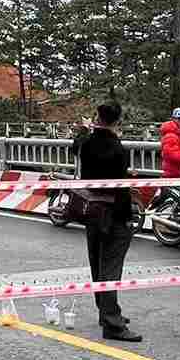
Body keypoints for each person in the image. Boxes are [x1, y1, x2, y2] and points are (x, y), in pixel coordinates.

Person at [69, 102, 142, 342]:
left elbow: (75, 149)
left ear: (97, 117)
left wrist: (82, 130)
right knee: (111, 267)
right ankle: (112, 323)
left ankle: (106, 311)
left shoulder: (88, 143)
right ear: (118, 121)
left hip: (92, 210)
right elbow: (119, 183)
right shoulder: (118, 148)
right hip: (115, 212)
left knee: (97, 263)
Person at [159, 108, 180, 182]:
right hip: (172, 174)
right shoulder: (170, 135)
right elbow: (170, 154)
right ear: (173, 119)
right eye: (179, 119)